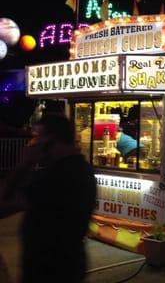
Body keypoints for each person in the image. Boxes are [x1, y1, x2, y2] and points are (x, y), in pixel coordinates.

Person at [0, 114, 97, 282]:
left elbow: (4, 205)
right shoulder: (80, 169)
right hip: (67, 264)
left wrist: (25, 163)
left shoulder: (57, 176)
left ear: (51, 140)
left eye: (37, 137)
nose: (32, 143)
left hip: (49, 270)